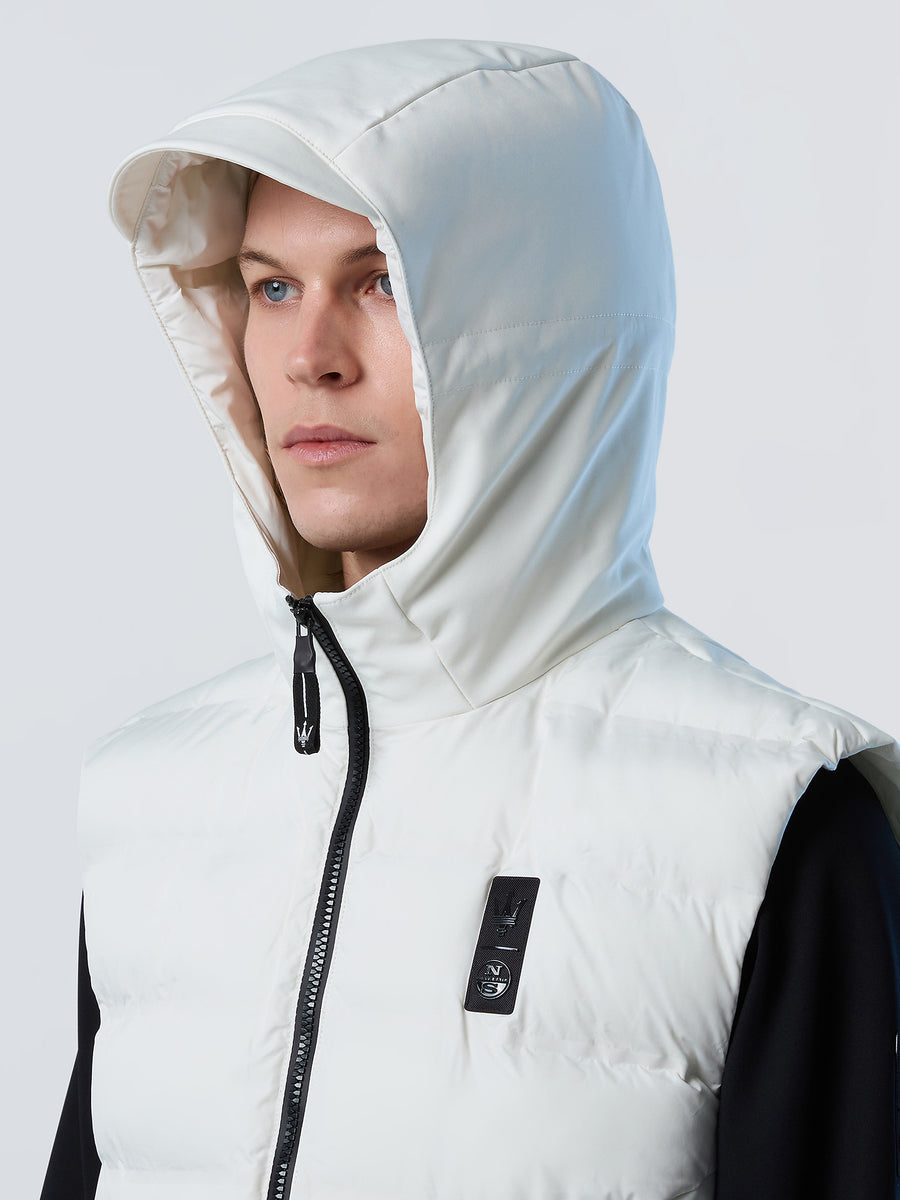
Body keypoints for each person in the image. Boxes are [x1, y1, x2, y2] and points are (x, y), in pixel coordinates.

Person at [41, 38, 900, 1200]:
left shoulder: (764, 822)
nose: (308, 359)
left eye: (381, 281)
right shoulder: (149, 808)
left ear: (548, 328)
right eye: (272, 286)